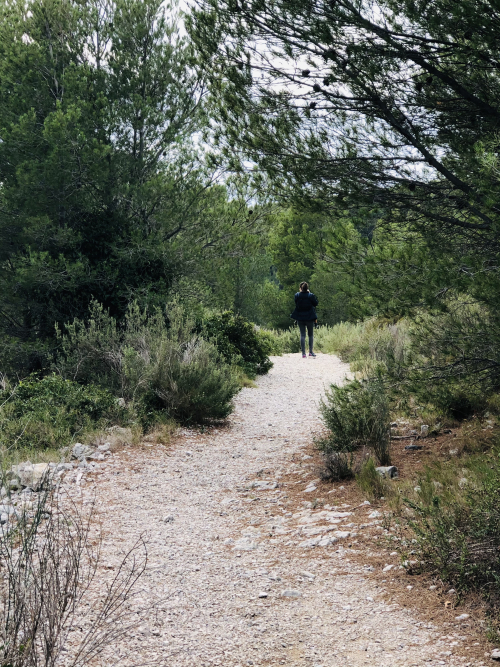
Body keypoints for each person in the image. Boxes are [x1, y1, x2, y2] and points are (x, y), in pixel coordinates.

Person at [290, 281, 318, 358]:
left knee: (302, 335)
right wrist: (310, 293)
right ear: (307, 288)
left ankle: (303, 353)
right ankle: (311, 352)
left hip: (300, 317)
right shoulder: (310, 295)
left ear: (300, 288)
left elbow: (296, 302)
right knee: (310, 335)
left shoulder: (297, 295)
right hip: (310, 317)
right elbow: (315, 303)